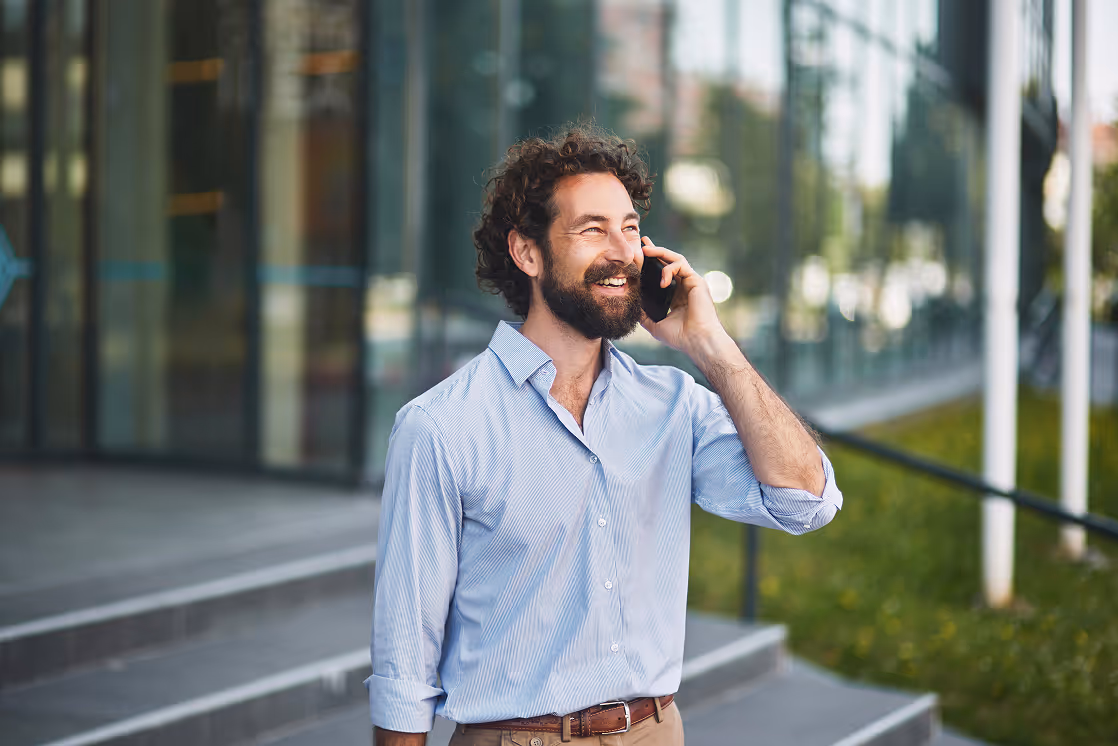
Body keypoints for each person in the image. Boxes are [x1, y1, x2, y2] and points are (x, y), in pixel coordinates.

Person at [367, 123, 843, 745]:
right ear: (528, 253)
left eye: (629, 228)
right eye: (593, 229)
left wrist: (711, 346)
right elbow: (405, 658)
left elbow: (806, 500)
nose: (622, 251)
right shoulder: (442, 427)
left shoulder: (672, 405)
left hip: (654, 731)